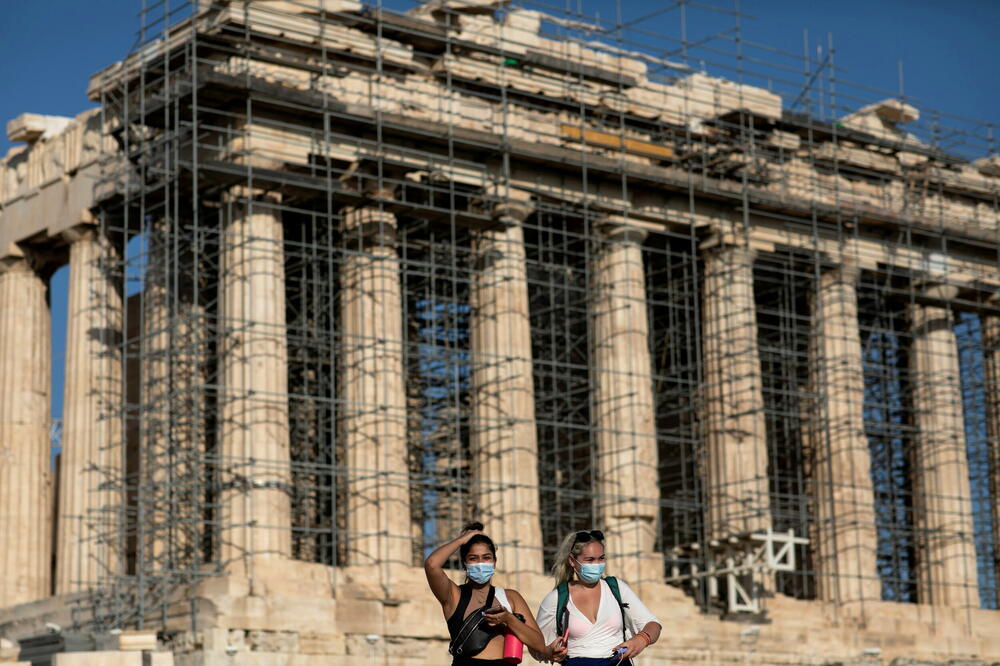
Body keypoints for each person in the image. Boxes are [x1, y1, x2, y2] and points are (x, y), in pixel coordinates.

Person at [425, 522, 558, 665]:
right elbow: (432, 564)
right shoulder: (454, 595)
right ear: (464, 563)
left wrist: (509, 619)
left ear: (494, 562)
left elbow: (538, 644)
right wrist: (461, 540)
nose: (480, 563)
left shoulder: (511, 597)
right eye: (473, 558)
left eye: (486, 557)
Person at [534, 530, 662, 665]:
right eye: (590, 560)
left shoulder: (616, 588)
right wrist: (550, 652)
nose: (597, 564)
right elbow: (536, 645)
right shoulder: (557, 598)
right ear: (572, 560)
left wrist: (641, 639)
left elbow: (653, 625)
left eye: (601, 558)